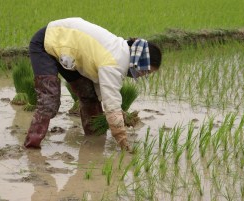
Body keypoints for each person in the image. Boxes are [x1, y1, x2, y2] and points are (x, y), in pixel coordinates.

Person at [24, 17, 162, 151]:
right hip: (48, 41)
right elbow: (111, 103)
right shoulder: (116, 62)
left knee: (89, 95)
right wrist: (121, 138)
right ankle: (31, 146)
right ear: (141, 61)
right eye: (146, 71)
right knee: (49, 100)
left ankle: (94, 138)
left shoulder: (122, 52)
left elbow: (103, 91)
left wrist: (119, 114)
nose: (144, 75)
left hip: (70, 52)